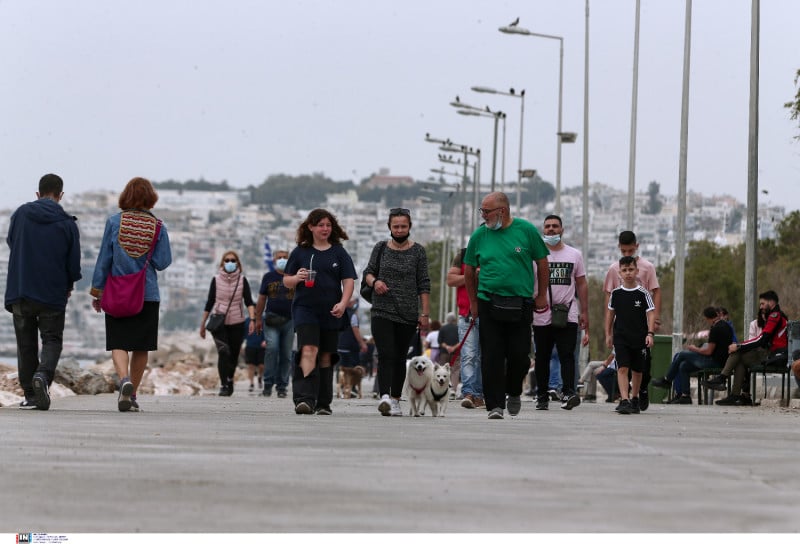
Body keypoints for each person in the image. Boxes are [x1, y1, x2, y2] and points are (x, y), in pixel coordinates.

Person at [464, 192, 550, 420]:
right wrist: (473, 302)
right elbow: (469, 270)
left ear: (502, 211)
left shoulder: (526, 230)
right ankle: (495, 404)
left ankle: (513, 391)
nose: (483, 216)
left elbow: (542, 262)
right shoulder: (479, 235)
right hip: (488, 300)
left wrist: (542, 295)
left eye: (486, 211)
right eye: (481, 211)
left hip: (520, 303)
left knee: (519, 356)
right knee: (491, 355)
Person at [90, 177, 171, 412]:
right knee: (141, 347)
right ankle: (132, 393)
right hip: (147, 294)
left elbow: (104, 259)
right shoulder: (158, 227)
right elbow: (163, 261)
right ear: (150, 198)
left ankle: (123, 379)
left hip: (117, 293)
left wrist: (97, 291)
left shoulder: (114, 222)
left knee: (118, 341)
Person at [6, 173, 82, 410]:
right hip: (52, 292)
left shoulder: (20, 214)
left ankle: (30, 394)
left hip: (21, 288)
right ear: (61, 195)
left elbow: (11, 241)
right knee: (52, 339)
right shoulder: (68, 224)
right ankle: (42, 376)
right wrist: (68, 286)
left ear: (37, 194)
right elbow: (73, 264)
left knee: (25, 344)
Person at [283, 208, 357, 415]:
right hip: (305, 309)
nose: (325, 229)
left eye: (328, 225)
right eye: (321, 225)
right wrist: (297, 277)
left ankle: (323, 402)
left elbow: (349, 280)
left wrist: (343, 303)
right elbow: (286, 281)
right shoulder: (300, 252)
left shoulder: (339, 252)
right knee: (308, 349)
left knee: (326, 355)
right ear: (311, 227)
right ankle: (304, 398)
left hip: (331, 310)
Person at [364, 207, 431, 417]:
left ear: (409, 226)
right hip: (382, 309)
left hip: (408, 313)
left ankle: (395, 399)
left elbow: (424, 284)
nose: (400, 230)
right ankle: (384, 396)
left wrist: (425, 313)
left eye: (403, 226)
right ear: (389, 227)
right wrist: (375, 282)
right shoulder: (380, 248)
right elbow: (368, 273)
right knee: (386, 353)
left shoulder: (418, 251)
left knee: (400, 356)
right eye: (396, 226)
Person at [532, 214, 589, 411]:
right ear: (543, 230)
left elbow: (581, 283)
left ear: (562, 230)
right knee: (542, 357)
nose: (551, 229)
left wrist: (584, 312)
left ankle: (568, 392)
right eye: (547, 226)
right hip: (541, 315)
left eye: (555, 226)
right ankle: (542, 395)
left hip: (567, 313)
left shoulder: (574, 255)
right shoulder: (535, 256)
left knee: (567, 355)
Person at [603, 230, 661, 411]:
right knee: (623, 366)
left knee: (642, 367)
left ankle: (640, 391)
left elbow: (655, 292)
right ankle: (625, 399)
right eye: (624, 252)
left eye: (631, 251)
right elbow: (609, 299)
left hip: (642, 327)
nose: (627, 255)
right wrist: (608, 331)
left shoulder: (648, 268)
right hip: (622, 328)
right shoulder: (614, 269)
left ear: (637, 247)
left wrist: (654, 322)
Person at [704, 290, 788, 405]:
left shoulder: (775, 315)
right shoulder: (775, 315)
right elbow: (760, 338)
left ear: (771, 302)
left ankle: (723, 380)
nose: (761, 307)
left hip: (775, 356)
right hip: (772, 354)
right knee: (740, 359)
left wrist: (739, 346)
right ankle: (734, 394)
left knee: (738, 354)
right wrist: (740, 346)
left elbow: (761, 339)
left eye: (763, 304)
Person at [201, 250, 257, 397]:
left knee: (233, 355)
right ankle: (224, 384)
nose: (230, 263)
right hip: (219, 322)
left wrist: (252, 320)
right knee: (223, 352)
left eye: (233, 260)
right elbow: (209, 302)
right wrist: (202, 324)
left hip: (237, 322)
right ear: (222, 263)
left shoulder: (242, 280)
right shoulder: (216, 279)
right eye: (227, 260)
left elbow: (249, 302)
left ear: (238, 263)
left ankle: (230, 379)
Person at [650, 306, 733, 404]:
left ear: (707, 318)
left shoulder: (715, 329)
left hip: (715, 362)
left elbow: (709, 352)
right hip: (724, 361)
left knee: (681, 354)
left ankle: (667, 380)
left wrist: (695, 349)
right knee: (683, 366)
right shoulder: (726, 325)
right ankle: (685, 396)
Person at [254, 249, 295, 398]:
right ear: (274, 261)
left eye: (285, 257)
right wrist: (257, 318)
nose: (282, 260)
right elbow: (261, 299)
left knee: (286, 354)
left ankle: (282, 386)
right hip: (271, 319)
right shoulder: (268, 277)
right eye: (280, 258)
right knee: (272, 349)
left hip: (290, 321)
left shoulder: (294, 277)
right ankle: (268, 384)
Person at [447, 248, 483, 409]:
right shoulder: (463, 254)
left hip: (492, 314)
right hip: (466, 314)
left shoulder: (500, 253)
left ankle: (480, 394)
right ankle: (468, 393)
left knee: (485, 357)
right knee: (469, 356)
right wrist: (471, 275)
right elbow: (450, 280)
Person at [336, 296, 368, 397]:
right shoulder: (353, 315)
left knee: (341, 369)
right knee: (352, 369)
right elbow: (355, 330)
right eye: (354, 301)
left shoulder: (338, 313)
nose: (356, 304)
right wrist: (362, 343)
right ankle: (351, 388)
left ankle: (340, 389)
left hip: (340, 345)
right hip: (350, 347)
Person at [243, 316, 265, 393]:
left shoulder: (263, 319)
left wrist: (266, 340)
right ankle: (251, 383)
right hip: (250, 345)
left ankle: (260, 377)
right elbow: (243, 332)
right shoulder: (247, 320)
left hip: (262, 346)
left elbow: (268, 331)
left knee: (261, 366)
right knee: (251, 366)